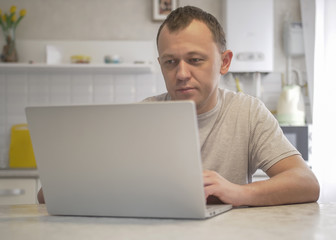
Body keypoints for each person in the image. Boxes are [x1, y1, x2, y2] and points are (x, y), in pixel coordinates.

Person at [38, 6, 319, 206]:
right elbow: (46, 194)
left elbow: (306, 183)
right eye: (170, 62)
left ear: (224, 62)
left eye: (195, 60)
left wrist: (238, 192)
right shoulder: (138, 118)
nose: (181, 73)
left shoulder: (248, 113)